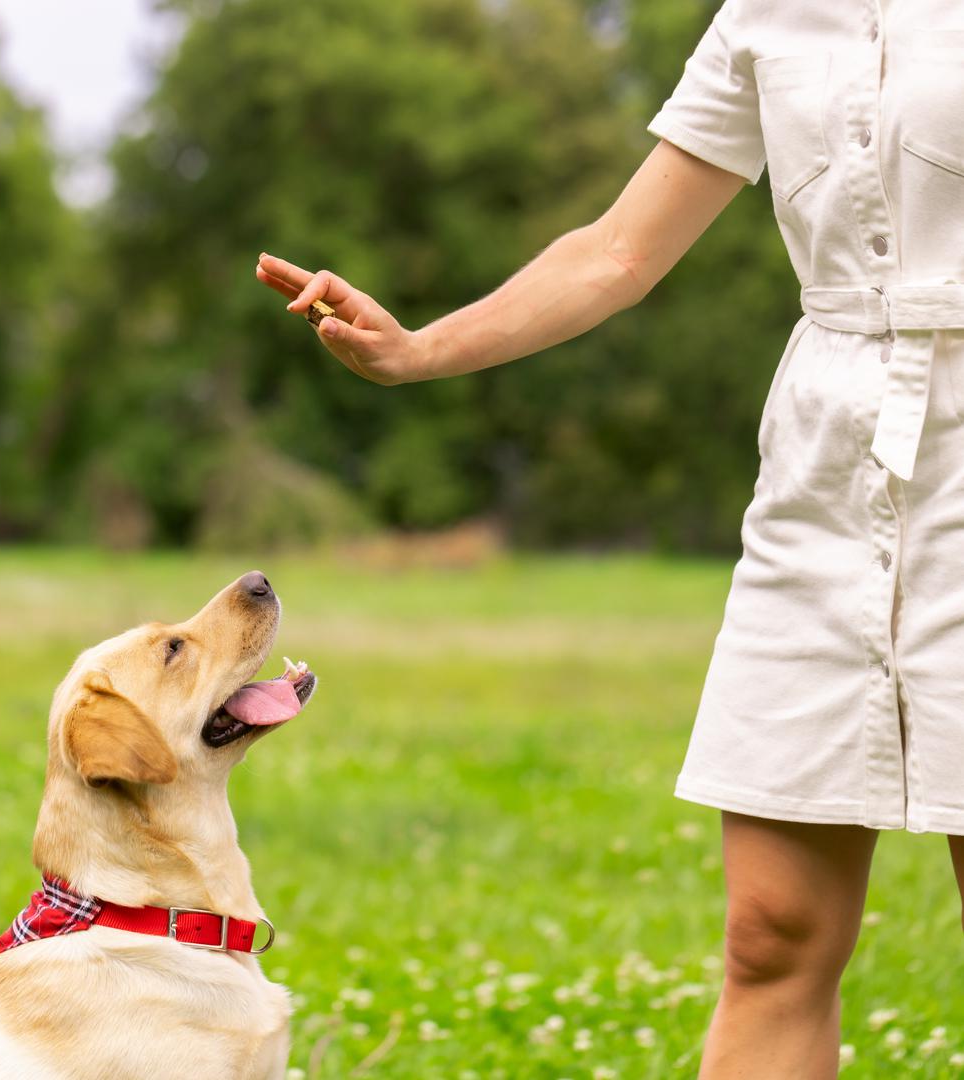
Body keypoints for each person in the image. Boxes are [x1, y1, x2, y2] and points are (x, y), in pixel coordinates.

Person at [256, 3, 964, 1076]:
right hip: (823, 468)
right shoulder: (764, 14)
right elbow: (619, 251)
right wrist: (420, 349)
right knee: (770, 932)